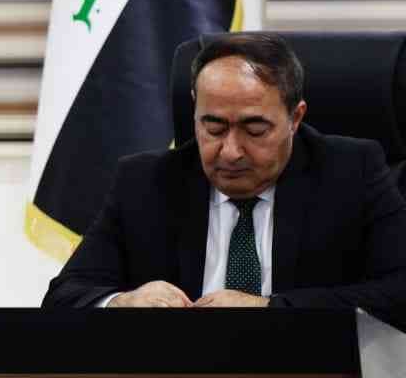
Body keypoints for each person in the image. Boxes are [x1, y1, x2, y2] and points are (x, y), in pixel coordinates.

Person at [44, 31, 406, 309]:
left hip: (310, 375)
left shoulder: (352, 172)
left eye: (255, 129)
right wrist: (121, 302)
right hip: (178, 377)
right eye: (214, 127)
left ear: (295, 118)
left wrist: (269, 308)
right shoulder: (145, 183)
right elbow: (65, 295)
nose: (231, 152)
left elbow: (398, 292)